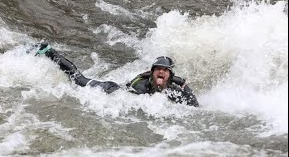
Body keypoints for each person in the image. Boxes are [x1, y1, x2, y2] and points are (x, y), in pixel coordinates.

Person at [33, 42, 199, 107]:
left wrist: (186, 87)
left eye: (165, 70)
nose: (161, 72)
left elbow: (194, 106)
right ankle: (47, 50)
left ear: (170, 75)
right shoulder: (140, 86)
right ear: (152, 72)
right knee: (78, 80)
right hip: (111, 89)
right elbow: (131, 104)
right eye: (158, 69)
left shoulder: (174, 87)